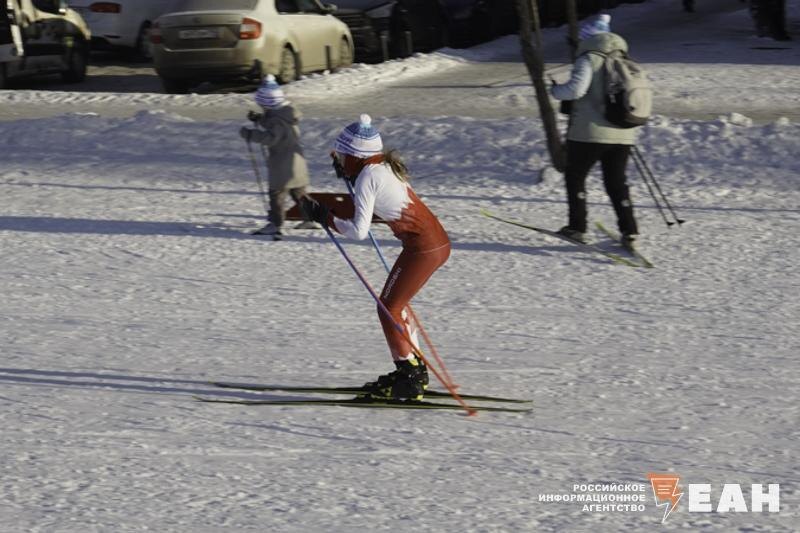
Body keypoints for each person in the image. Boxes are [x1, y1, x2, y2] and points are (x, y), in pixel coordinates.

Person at [301, 114, 451, 401]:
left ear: (356, 157)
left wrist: (325, 216)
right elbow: (375, 192)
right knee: (395, 305)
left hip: (423, 249)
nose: (341, 160)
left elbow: (359, 230)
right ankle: (413, 369)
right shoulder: (379, 167)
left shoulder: (368, 177)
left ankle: (409, 377)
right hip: (430, 245)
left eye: (344, 155)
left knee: (388, 308)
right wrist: (349, 175)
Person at [550, 14, 640, 250]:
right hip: (623, 132)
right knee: (616, 182)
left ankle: (577, 228)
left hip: (589, 133)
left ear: (588, 38)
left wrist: (557, 91)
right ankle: (630, 231)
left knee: (575, 177)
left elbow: (575, 90)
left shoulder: (589, 58)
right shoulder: (625, 59)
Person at [240, 74, 317, 240]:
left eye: (263, 105)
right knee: (298, 192)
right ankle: (309, 218)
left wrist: (250, 134)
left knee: (276, 194)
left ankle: (275, 224)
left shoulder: (278, 120)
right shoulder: (285, 114)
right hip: (296, 163)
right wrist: (260, 119)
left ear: (268, 103)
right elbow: (276, 126)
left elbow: (271, 138)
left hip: (283, 163)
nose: (262, 107)